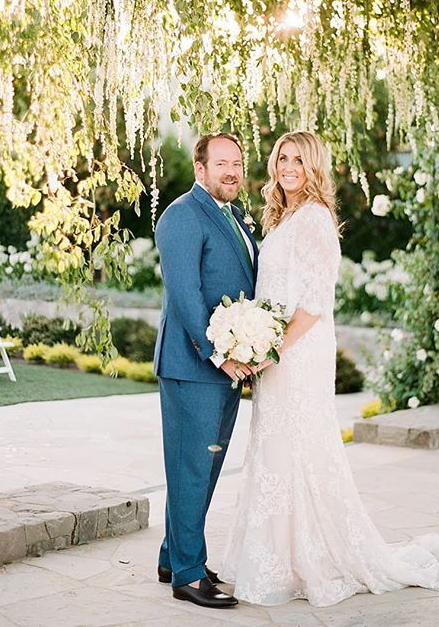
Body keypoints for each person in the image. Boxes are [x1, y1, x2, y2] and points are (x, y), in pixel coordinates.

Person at [221, 130, 439, 607]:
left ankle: (314, 560)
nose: (287, 166)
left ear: (314, 166)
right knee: (275, 451)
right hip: (276, 351)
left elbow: (313, 306)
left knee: (299, 449)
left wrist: (266, 350)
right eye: (282, 158)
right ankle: (278, 558)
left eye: (298, 159)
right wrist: (254, 336)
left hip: (298, 352)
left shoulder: (315, 219)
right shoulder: (281, 217)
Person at [153, 132, 259, 609]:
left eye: (237, 162)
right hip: (193, 364)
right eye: (222, 163)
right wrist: (220, 355)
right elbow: (186, 296)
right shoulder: (179, 216)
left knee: (204, 468)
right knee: (192, 467)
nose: (232, 171)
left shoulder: (234, 216)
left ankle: (174, 555)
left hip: (228, 365)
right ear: (201, 169)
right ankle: (188, 576)